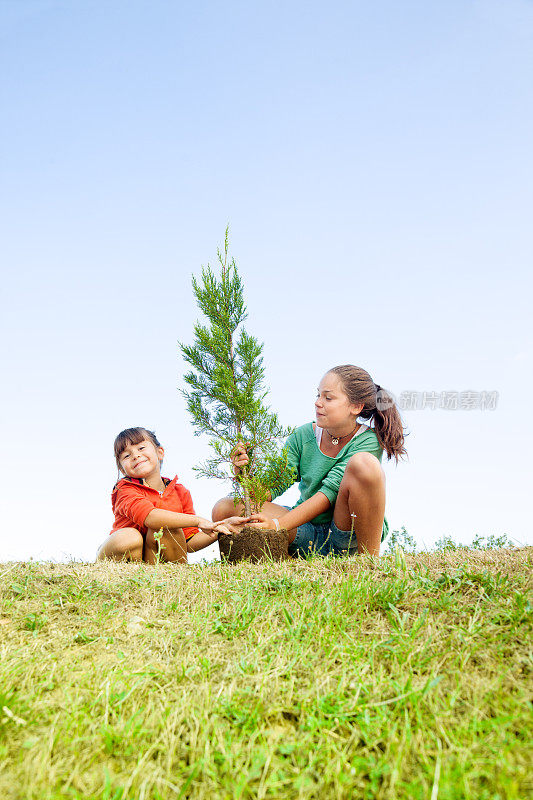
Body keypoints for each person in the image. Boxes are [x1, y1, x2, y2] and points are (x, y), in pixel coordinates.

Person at [212, 365, 407, 558]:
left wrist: (278, 525)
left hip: (345, 535)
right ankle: (285, 558)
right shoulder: (303, 436)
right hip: (305, 532)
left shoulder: (368, 440)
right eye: (318, 395)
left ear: (355, 407)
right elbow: (268, 491)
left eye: (328, 397)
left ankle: (369, 561)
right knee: (225, 508)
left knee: (365, 464)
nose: (318, 403)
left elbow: (328, 495)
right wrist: (243, 473)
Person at [97, 427, 231, 563]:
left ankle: (170, 579)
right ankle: (112, 569)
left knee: (169, 528)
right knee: (131, 537)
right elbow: (150, 517)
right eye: (126, 455)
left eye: (141, 448)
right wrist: (198, 520)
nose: (135, 455)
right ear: (122, 469)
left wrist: (222, 527)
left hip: (155, 565)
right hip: (125, 556)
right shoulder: (124, 489)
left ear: (160, 452)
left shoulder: (180, 492)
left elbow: (188, 543)